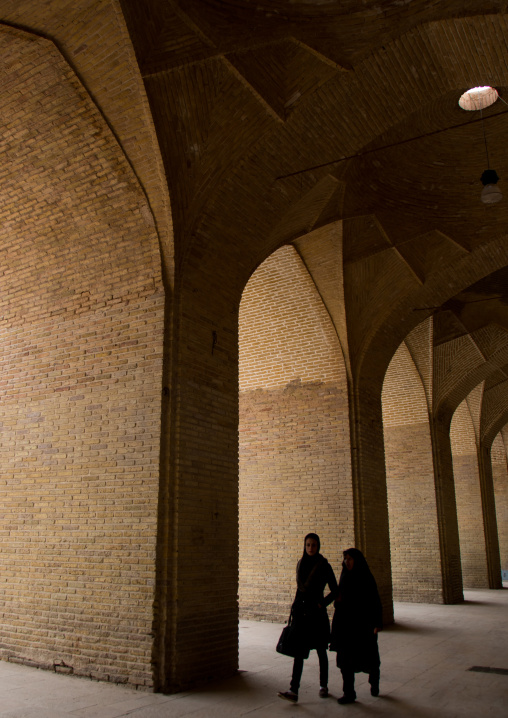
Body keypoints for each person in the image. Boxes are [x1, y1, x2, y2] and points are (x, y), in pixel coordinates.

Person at [277, 533, 337, 704]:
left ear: (318, 546)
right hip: (302, 615)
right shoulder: (301, 563)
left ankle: (323, 685)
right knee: (299, 653)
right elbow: (300, 590)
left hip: (316, 616)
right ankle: (294, 689)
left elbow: (335, 590)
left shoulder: (324, 565)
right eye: (308, 545)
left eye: (314, 545)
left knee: (320, 651)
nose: (310, 548)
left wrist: (321, 604)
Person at [330, 548, 383, 704]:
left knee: (370, 657)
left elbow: (375, 600)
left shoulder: (366, 577)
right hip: (347, 626)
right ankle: (349, 693)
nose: (347, 562)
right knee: (346, 661)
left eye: (350, 559)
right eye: (345, 559)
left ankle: (374, 682)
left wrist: (377, 623)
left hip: (363, 625)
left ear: (357, 560)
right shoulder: (345, 576)